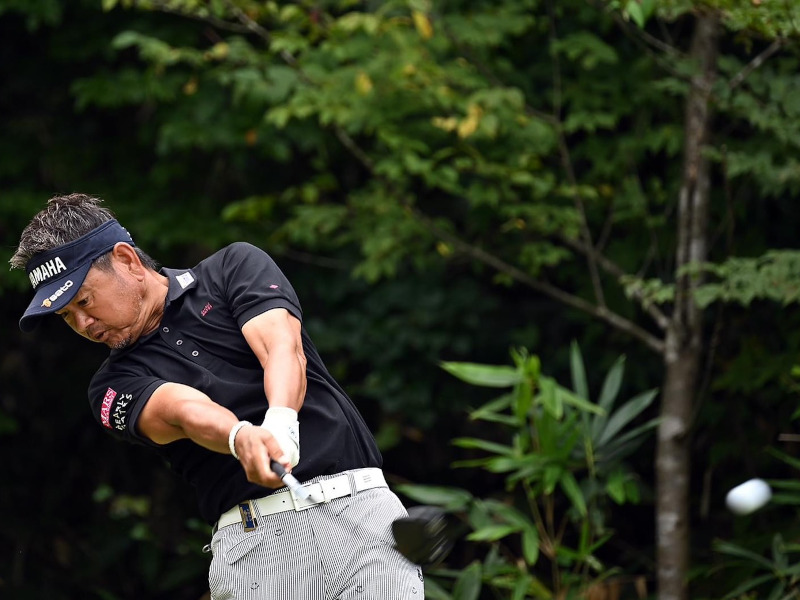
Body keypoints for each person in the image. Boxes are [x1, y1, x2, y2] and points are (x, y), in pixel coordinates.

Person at [11, 193, 424, 600]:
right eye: (66, 316)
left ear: (126, 260)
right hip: (261, 552)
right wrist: (240, 437)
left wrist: (281, 423)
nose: (82, 323)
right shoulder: (111, 384)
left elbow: (282, 347)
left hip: (363, 514)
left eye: (84, 300)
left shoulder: (231, 268)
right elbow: (184, 411)